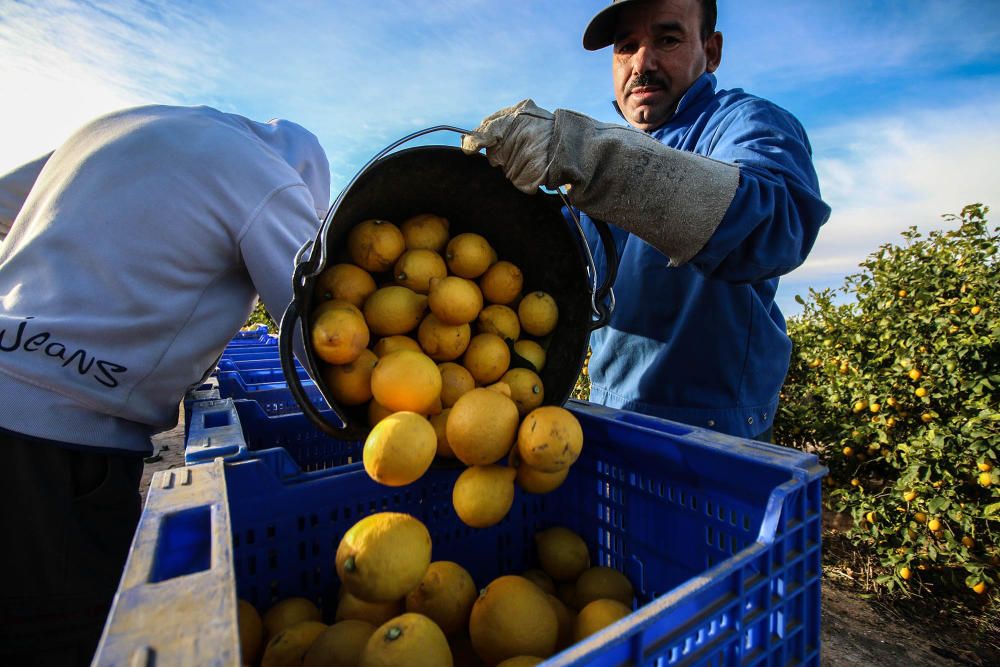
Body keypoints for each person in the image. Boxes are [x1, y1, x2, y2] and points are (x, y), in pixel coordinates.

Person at [0, 104, 330, 666]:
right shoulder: (269, 181)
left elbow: (8, 203)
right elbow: (318, 334)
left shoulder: (114, 126)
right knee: (60, 635)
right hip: (56, 435)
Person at [463, 0, 831, 441]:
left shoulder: (742, 123)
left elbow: (774, 225)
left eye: (668, 39)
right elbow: (538, 273)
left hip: (718, 438)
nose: (642, 63)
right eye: (626, 46)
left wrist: (593, 158)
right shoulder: (595, 163)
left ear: (711, 51)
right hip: (609, 420)